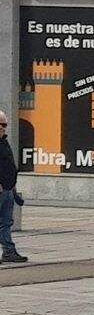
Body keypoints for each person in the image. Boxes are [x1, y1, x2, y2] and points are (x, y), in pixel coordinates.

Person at [0, 110, 25, 263]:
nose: (3, 128)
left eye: (5, 124)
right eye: (0, 125)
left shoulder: (3, 141)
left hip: (8, 188)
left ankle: (9, 251)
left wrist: (12, 186)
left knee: (6, 222)